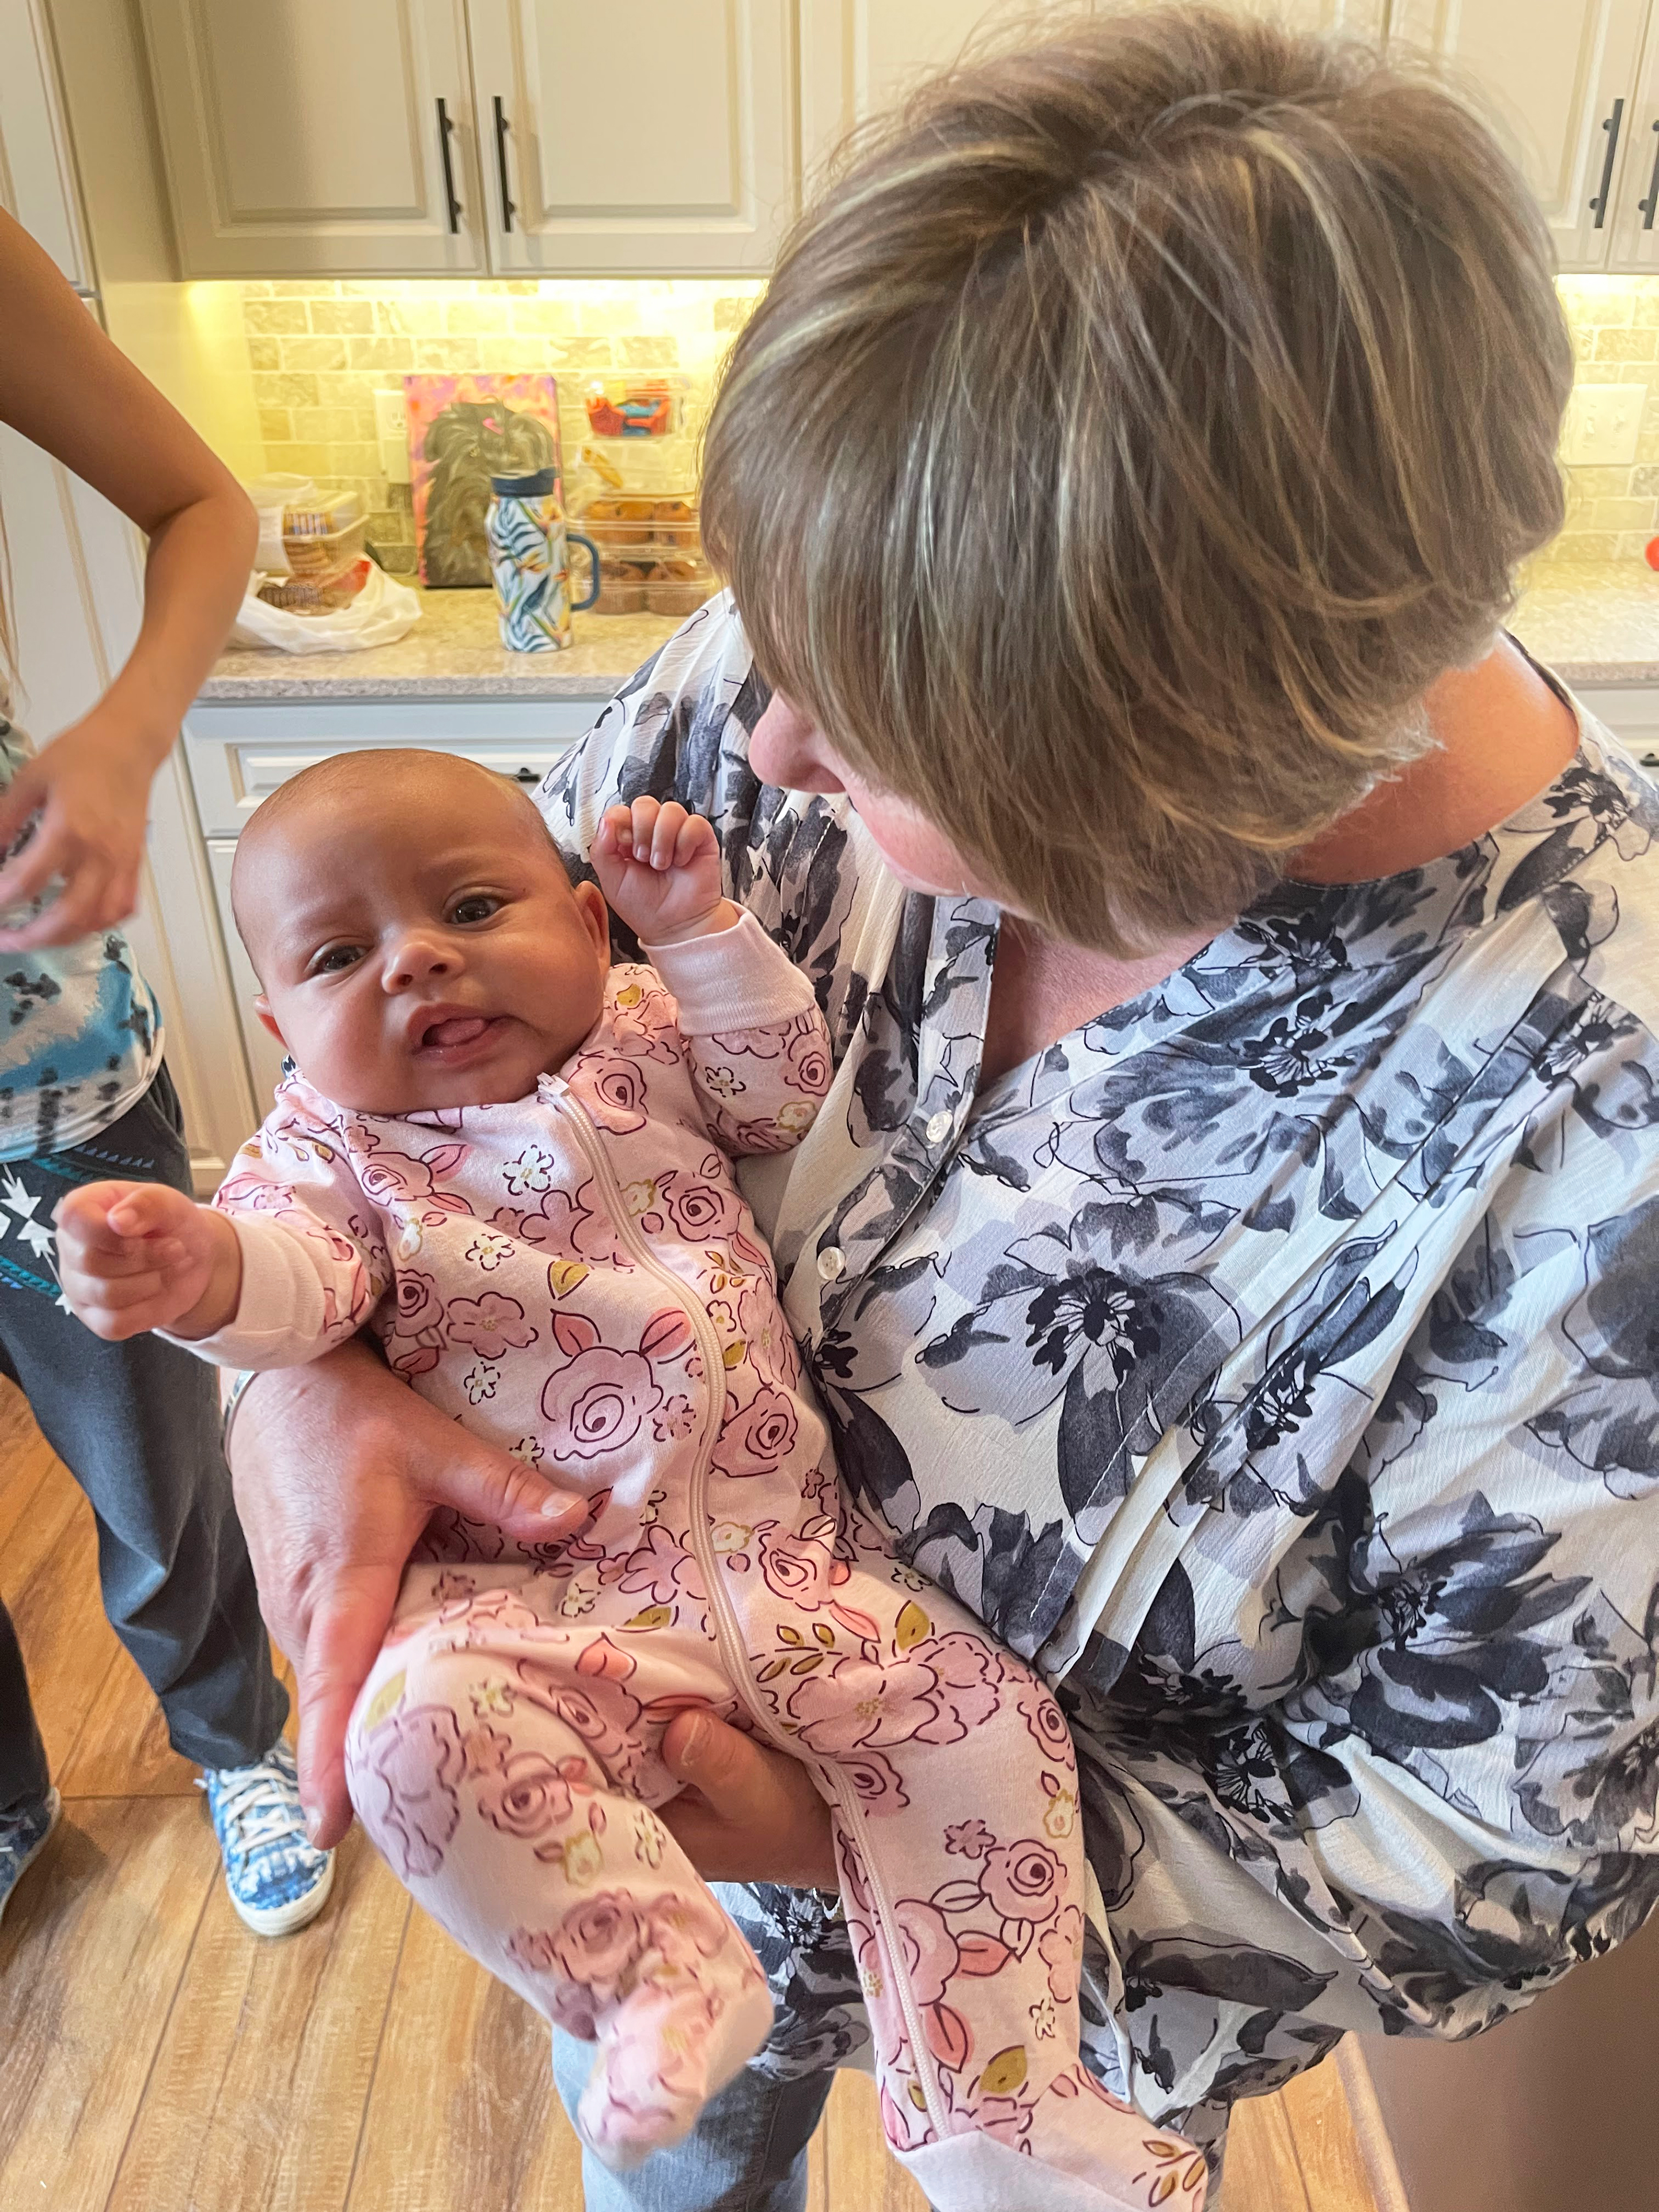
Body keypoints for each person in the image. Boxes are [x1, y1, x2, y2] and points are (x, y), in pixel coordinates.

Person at [224, 6, 1659, 2204]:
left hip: (1020, 2013)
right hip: (624, 1868)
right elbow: (422, 1024)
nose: (766, 746)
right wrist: (297, 1364)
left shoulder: (1593, 1144)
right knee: (677, 2158)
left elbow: (1468, 1855)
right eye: (773, 649)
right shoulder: (833, 645)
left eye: (874, 737)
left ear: (1169, 768)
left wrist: (829, 1820)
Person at [56, 753, 1193, 2210]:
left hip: (801, 1575)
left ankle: (1001, 2110)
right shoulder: (331, 1151)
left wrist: (706, 932)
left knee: (986, 1733)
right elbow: (298, 1288)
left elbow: (782, 1093)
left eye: (473, 905)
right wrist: (201, 1269)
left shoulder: (648, 1034)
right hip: (547, 1605)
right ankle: (654, 1972)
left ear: (593, 933)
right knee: (411, 1738)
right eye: (343, 956)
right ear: (284, 1030)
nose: (418, 960)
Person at [0, 205, 331, 1937]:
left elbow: (207, 503)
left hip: (38, 1067)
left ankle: (231, 1739)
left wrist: (125, 739)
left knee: (149, 1478)